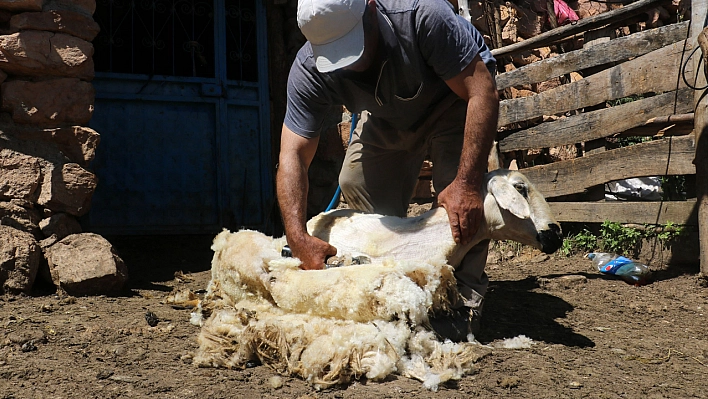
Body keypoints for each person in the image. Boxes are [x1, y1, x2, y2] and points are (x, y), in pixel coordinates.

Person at [276, 0, 499, 340]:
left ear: (370, 8)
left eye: (352, 43)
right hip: (384, 113)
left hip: (455, 100)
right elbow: (292, 154)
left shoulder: (422, 15)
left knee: (460, 205)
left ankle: (462, 301)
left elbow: (482, 91)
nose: (350, 64)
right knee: (356, 182)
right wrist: (296, 236)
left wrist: (466, 184)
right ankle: (392, 284)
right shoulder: (308, 68)